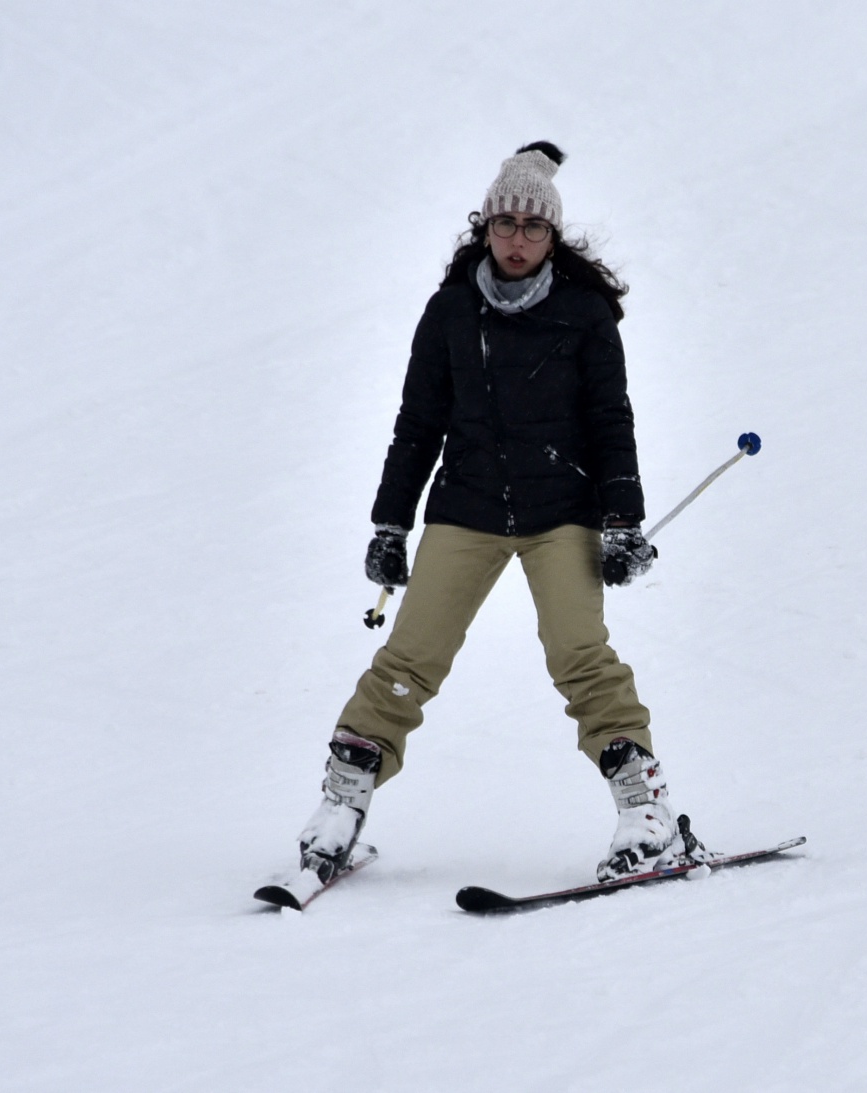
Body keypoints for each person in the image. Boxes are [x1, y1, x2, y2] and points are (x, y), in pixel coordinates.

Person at [294, 142, 712, 885]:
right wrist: (391, 524)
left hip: (563, 512)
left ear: (553, 236)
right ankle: (340, 806)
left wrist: (622, 519)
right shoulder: (451, 311)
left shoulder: (583, 315)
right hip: (469, 507)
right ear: (484, 227)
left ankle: (646, 812)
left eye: (533, 226)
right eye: (506, 223)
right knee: (409, 656)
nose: (518, 239)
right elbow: (417, 424)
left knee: (579, 653)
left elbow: (611, 419)